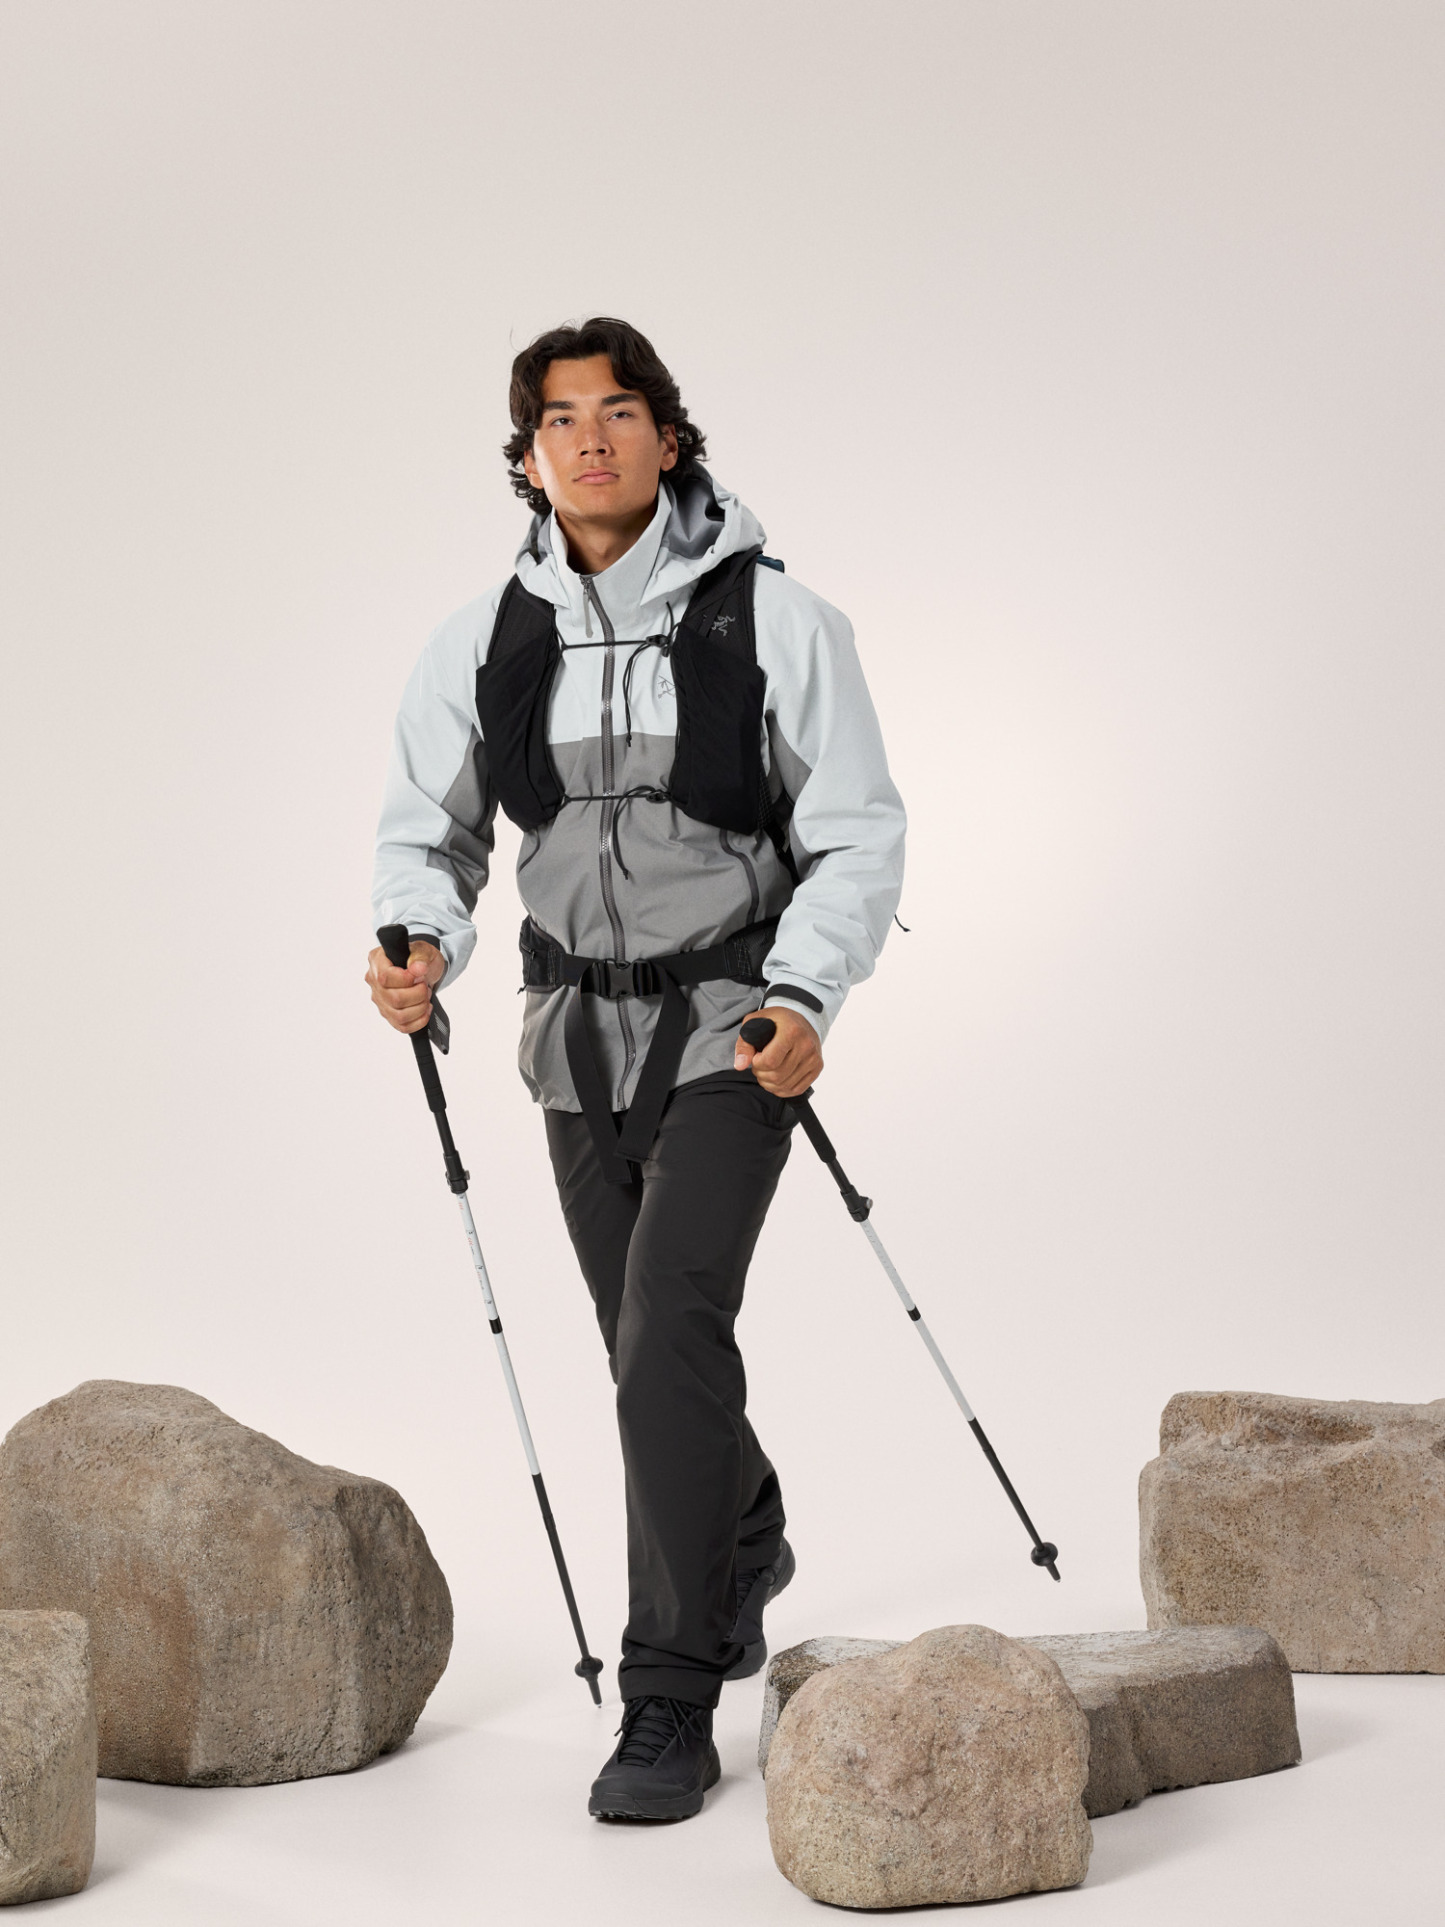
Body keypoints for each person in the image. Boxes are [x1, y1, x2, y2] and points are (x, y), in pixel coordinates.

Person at [367, 318, 905, 1821]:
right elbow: (430, 831)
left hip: (734, 1026)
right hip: (569, 1041)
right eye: (559, 418)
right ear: (529, 456)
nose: (589, 438)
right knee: (639, 1341)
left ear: (670, 439)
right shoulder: (485, 641)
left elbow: (856, 832)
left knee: (669, 1320)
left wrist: (805, 995)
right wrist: (416, 942)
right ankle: (742, 1526)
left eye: (619, 412)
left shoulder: (779, 621)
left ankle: (669, 1694)